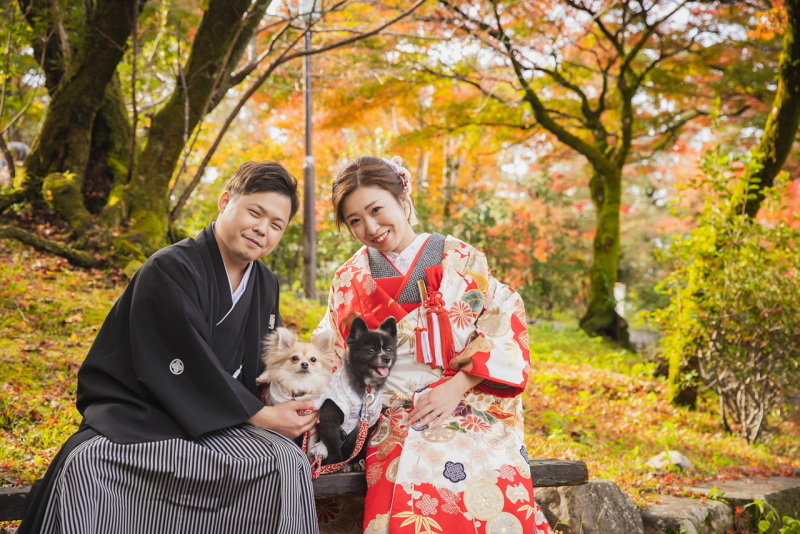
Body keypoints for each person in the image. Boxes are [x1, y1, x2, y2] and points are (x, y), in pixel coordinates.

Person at [18, 161, 320, 534]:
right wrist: (259, 416)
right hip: (146, 410)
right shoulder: (170, 268)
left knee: (286, 463)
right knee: (90, 463)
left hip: (221, 415)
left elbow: (259, 364)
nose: (262, 229)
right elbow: (185, 359)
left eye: (277, 225)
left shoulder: (265, 283)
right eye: (254, 213)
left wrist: (286, 400)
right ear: (225, 201)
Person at [313, 156, 553, 533]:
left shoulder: (461, 257)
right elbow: (331, 352)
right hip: (388, 416)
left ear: (402, 197)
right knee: (407, 466)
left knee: (484, 466)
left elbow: (504, 318)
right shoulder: (348, 279)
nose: (371, 227)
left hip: (469, 404)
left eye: (377, 210)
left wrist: (458, 385)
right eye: (355, 220)